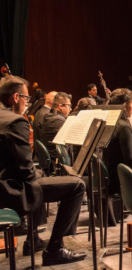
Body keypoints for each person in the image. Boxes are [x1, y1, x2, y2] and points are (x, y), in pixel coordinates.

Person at [0, 75, 87, 266]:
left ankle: (33, 241)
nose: (26, 103)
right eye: (26, 98)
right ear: (15, 97)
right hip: (10, 189)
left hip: (5, 181)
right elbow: (25, 171)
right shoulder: (16, 122)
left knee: (39, 179)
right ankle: (55, 249)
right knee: (77, 185)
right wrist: (38, 174)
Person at [39, 92, 72, 164]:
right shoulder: (58, 120)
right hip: (56, 160)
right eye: (69, 106)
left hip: (50, 157)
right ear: (60, 106)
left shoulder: (48, 116)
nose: (70, 109)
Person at [33, 91, 57, 156]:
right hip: (44, 153)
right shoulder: (48, 114)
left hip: (38, 151)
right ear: (53, 101)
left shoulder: (38, 111)